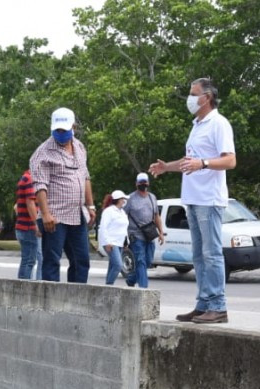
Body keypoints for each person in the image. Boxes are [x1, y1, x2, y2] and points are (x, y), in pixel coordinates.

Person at [149, 77, 235, 324]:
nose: (189, 98)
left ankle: (218, 306)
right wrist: (167, 167)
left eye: (193, 93)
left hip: (209, 200)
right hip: (193, 199)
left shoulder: (219, 123)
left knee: (211, 254)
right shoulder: (197, 125)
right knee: (198, 255)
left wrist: (204, 163)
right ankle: (203, 304)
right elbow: (190, 162)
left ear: (206, 97)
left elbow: (230, 160)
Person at [29, 107, 96, 283]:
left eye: (64, 130)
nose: (60, 133)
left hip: (77, 214)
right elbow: (40, 185)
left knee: (81, 260)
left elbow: (85, 176)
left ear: (73, 127)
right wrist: (45, 214)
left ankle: (77, 300)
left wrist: (90, 205)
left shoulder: (80, 147)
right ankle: (52, 304)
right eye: (57, 130)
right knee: (52, 261)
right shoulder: (42, 152)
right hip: (55, 216)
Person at [124, 172, 164, 288]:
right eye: (140, 182)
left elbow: (156, 216)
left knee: (148, 261)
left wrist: (161, 233)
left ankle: (131, 279)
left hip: (150, 234)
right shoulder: (130, 199)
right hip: (135, 235)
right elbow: (123, 217)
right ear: (136, 183)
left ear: (148, 183)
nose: (143, 184)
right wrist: (124, 236)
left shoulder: (152, 197)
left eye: (144, 181)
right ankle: (144, 290)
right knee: (140, 261)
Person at [98, 190, 129, 285]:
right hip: (111, 243)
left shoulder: (122, 212)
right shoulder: (109, 211)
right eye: (123, 199)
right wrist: (107, 242)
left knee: (112, 265)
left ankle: (107, 286)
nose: (124, 201)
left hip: (119, 242)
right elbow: (103, 227)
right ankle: (109, 284)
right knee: (118, 265)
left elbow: (124, 228)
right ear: (118, 200)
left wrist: (126, 241)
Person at [15, 169, 42, 279]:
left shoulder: (26, 177)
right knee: (29, 261)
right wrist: (37, 224)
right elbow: (30, 202)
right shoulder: (31, 179)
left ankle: (23, 287)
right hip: (28, 228)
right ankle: (23, 289)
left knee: (27, 259)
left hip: (23, 227)